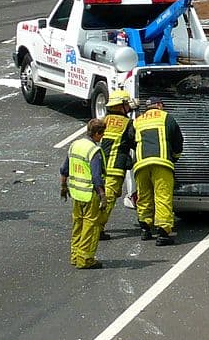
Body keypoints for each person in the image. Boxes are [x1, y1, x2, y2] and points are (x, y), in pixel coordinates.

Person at [133, 97, 184, 246]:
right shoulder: (167, 117)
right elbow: (178, 140)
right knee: (162, 196)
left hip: (141, 164)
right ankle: (163, 233)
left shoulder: (137, 120)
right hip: (161, 163)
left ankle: (145, 228)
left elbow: (130, 140)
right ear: (160, 105)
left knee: (144, 196)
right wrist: (174, 157)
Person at [60, 119, 108, 269]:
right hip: (89, 194)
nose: (102, 137)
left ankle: (75, 256)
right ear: (97, 133)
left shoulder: (75, 145)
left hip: (76, 193)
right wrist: (102, 195)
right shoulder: (93, 150)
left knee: (77, 225)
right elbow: (96, 176)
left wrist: (63, 186)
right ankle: (85, 259)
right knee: (90, 227)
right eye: (102, 134)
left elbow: (64, 169)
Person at [98, 90, 136, 240]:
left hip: (101, 166)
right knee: (108, 198)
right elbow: (134, 142)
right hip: (115, 168)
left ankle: (94, 226)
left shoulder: (104, 120)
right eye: (127, 104)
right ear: (121, 106)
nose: (129, 106)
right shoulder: (127, 123)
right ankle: (97, 228)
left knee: (100, 197)